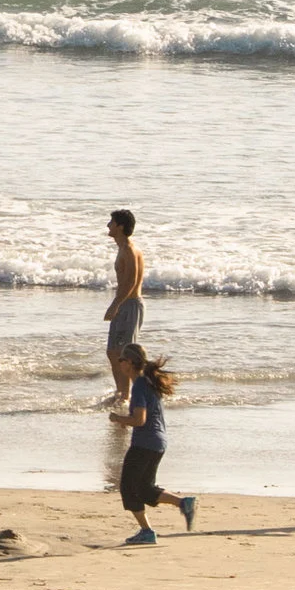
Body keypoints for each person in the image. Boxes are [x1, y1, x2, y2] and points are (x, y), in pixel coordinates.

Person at [115, 343, 195, 541]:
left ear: (130, 362)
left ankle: (146, 532)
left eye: (121, 360)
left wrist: (118, 419)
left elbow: (139, 420)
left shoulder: (141, 385)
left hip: (145, 443)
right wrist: (127, 420)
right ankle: (184, 503)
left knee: (128, 487)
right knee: (144, 488)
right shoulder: (147, 383)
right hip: (158, 443)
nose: (119, 364)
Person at [103, 208, 145, 411]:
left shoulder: (129, 249)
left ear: (120, 226)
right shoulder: (121, 248)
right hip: (123, 303)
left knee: (125, 352)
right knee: (112, 351)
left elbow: (131, 282)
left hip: (129, 304)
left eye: (111, 222)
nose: (108, 226)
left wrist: (115, 305)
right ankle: (121, 391)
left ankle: (127, 395)